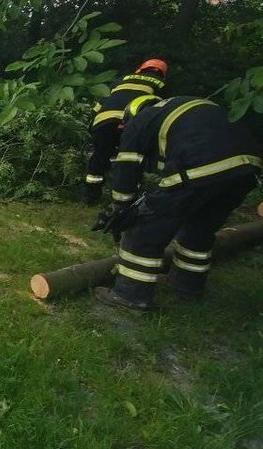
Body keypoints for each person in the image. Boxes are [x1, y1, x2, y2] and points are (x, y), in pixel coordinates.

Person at [94, 94, 262, 311]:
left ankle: (130, 295)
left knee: (143, 227)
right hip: (247, 170)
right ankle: (186, 286)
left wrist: (122, 207)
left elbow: (126, 166)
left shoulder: (141, 119)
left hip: (201, 166)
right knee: (199, 228)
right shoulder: (188, 109)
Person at [81, 59, 168, 204]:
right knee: (130, 159)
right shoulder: (160, 84)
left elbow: (100, 104)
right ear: (162, 74)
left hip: (104, 120)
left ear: (140, 69)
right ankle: (126, 195)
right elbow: (162, 108)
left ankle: (90, 197)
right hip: (132, 123)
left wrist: (92, 127)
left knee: (99, 156)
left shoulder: (120, 81)